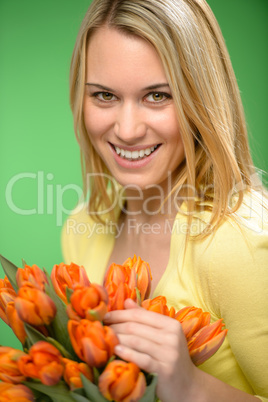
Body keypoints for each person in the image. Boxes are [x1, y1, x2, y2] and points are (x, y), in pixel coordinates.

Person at [62, 0, 268, 400]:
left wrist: (192, 386)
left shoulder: (240, 243)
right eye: (104, 95)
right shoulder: (82, 226)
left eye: (157, 96)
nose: (126, 129)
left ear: (202, 99)